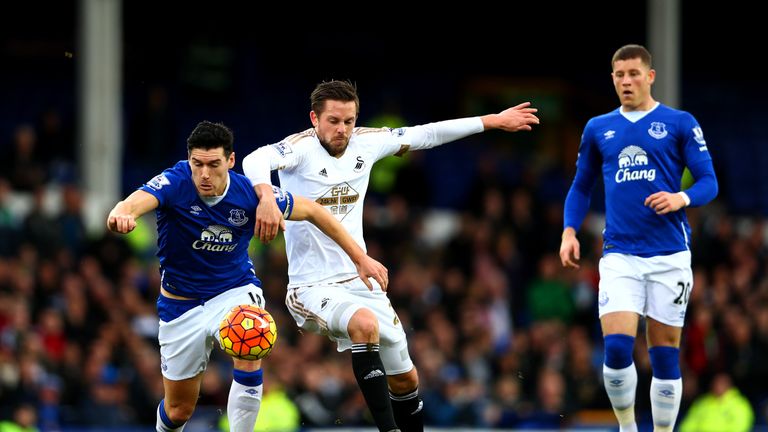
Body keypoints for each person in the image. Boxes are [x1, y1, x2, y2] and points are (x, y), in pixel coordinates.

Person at [242, 80, 539, 432]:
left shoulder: (367, 142)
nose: (342, 130)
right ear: (314, 118)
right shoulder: (299, 149)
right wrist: (264, 197)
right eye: (334, 121)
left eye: (349, 121)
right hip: (312, 287)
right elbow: (255, 158)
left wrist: (490, 121)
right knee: (364, 325)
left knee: (407, 379)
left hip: (361, 279)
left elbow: (426, 134)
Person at [107, 121, 388, 432]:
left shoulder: (248, 194)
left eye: (213, 164)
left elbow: (314, 210)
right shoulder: (175, 182)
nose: (204, 174)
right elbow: (134, 202)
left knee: (250, 335)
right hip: (180, 304)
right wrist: (122, 213)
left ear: (230, 161)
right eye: (197, 164)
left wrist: (359, 257)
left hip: (233, 291)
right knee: (178, 410)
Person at [558, 44, 718, 432]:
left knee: (664, 357)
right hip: (620, 254)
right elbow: (581, 186)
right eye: (619, 75)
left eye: (633, 73)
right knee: (615, 348)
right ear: (612, 79)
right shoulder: (598, 128)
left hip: (670, 255)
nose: (626, 81)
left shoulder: (679, 122)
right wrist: (569, 231)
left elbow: (709, 182)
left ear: (650, 76)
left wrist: (680, 196)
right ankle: (628, 428)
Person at [678, 372, 754, 432]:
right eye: (715, 382)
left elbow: (740, 427)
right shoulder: (702, 402)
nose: (717, 385)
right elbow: (688, 425)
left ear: (728, 385)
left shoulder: (739, 404)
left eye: (720, 383)